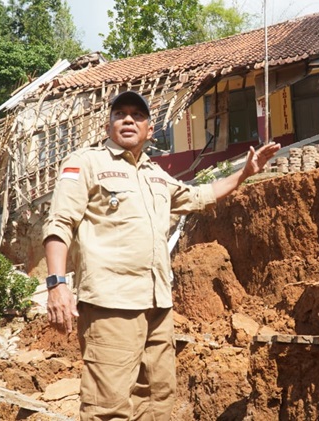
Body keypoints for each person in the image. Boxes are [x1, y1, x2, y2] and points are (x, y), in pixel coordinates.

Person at [43, 90, 280, 421]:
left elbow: (199, 196)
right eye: (120, 114)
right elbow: (60, 223)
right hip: (111, 305)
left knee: (158, 400)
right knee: (108, 407)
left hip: (157, 306)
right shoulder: (85, 163)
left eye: (137, 115)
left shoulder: (155, 174)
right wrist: (56, 284)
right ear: (108, 124)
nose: (128, 119)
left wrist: (244, 174)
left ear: (150, 130)